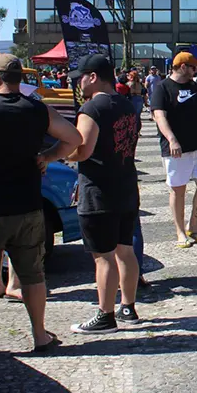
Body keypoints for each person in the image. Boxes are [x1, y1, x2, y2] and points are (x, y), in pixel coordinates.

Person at [0, 54, 82, 356]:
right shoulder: (37, 109)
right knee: (33, 275)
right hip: (28, 207)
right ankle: (40, 337)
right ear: (19, 78)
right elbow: (74, 138)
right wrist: (47, 156)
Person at [67, 54, 142, 333]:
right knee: (125, 249)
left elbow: (83, 149)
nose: (78, 83)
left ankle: (105, 315)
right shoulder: (127, 105)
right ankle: (128, 307)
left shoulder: (91, 109)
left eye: (81, 77)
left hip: (99, 190)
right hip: (126, 185)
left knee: (103, 256)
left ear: (93, 77)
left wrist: (62, 154)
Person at [150, 52, 197, 247]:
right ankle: (180, 231)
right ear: (182, 67)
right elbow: (159, 116)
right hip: (177, 149)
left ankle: (193, 225)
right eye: (193, 67)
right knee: (178, 189)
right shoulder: (163, 88)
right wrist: (172, 140)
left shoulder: (194, 86)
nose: (196, 71)